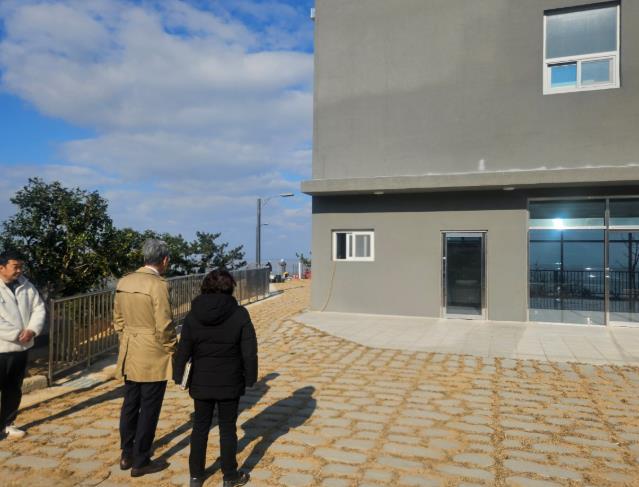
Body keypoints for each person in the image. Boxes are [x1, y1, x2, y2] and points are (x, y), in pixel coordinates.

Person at [173, 269, 257, 487]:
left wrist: (178, 374)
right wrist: (250, 377)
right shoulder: (240, 314)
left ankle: (195, 476)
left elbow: (184, 349)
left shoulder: (193, 315)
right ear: (230, 287)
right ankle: (230, 476)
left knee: (200, 427)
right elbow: (249, 351)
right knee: (227, 428)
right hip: (230, 380)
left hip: (201, 380)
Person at [113, 239, 176, 477]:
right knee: (149, 407)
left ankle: (126, 453)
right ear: (164, 260)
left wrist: (127, 337)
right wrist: (172, 348)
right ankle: (141, 460)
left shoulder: (124, 281)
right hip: (153, 351)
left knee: (130, 403)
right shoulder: (158, 285)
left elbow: (118, 319)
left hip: (130, 347)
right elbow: (164, 324)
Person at [0, 251, 45, 440]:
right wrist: (17, 334)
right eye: (15, 267)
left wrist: (32, 330)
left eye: (21, 267)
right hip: (2, 348)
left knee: (13, 388)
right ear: (1, 267)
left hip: (22, 348)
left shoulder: (26, 285)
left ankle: (7, 424)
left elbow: (38, 308)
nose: (19, 270)